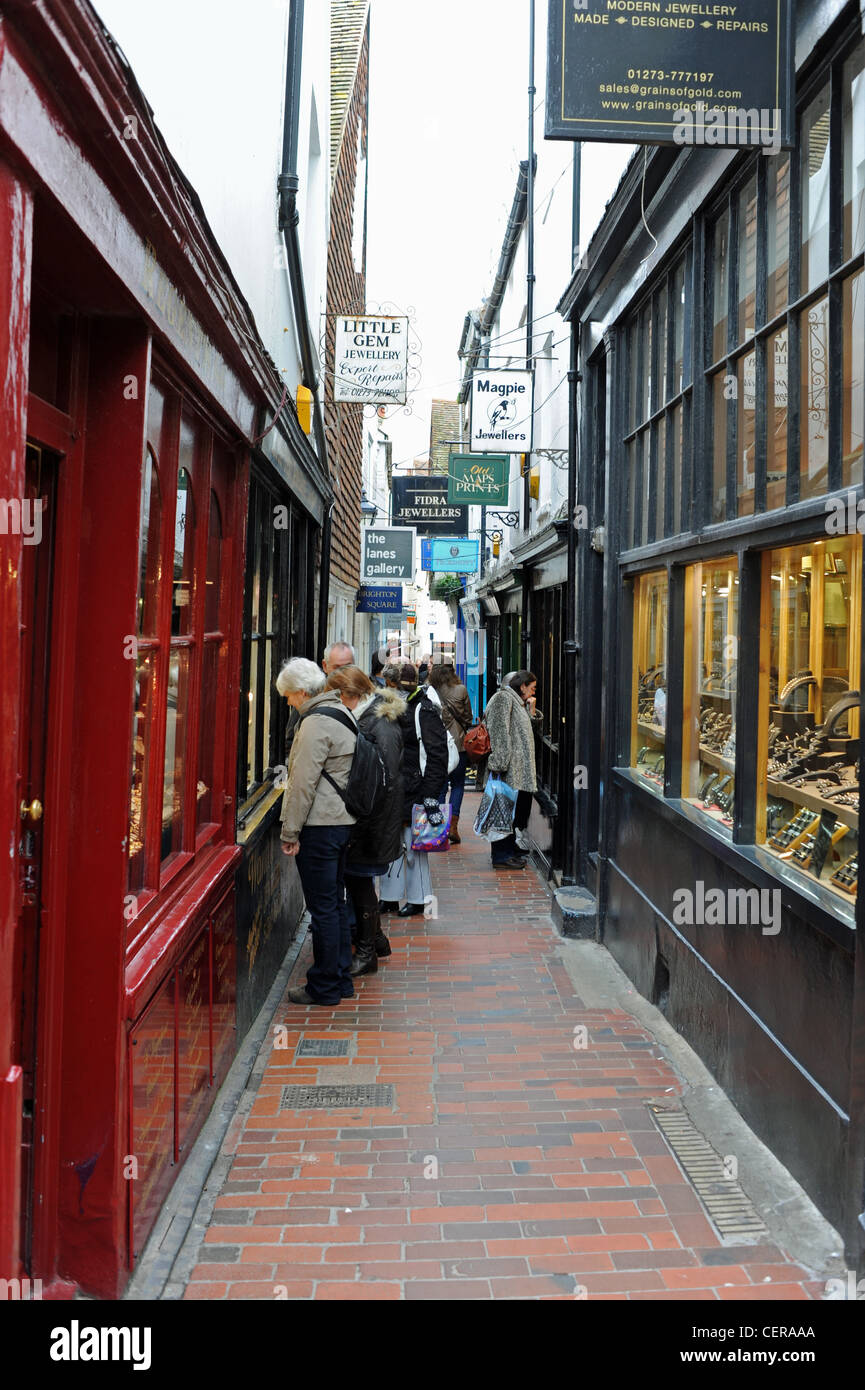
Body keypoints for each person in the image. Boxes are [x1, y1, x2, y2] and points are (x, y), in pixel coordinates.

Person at [276, 656, 358, 1005]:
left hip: (321, 826)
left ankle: (323, 986)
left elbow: (302, 784)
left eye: (288, 697)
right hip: (342, 823)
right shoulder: (342, 713)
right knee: (334, 904)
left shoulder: (314, 724)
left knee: (322, 908)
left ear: (300, 692)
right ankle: (340, 978)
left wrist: (289, 832)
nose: (288, 703)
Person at [326, 664, 406, 975]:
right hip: (371, 819)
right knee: (359, 882)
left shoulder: (379, 725)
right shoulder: (370, 718)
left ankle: (367, 952)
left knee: (360, 883)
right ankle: (377, 939)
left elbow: (381, 780)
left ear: (351, 695)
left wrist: (360, 818)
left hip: (372, 821)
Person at [379, 661, 448, 917]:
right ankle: (389, 896)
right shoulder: (390, 707)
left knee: (413, 846)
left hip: (413, 787)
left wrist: (429, 793)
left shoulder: (423, 710)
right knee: (390, 842)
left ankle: (419, 899)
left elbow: (437, 754)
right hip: (393, 786)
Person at [484, 669, 541, 870]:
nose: (533, 692)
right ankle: (501, 855)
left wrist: (530, 711)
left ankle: (509, 852)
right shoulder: (503, 699)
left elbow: (521, 730)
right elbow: (499, 732)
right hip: (507, 768)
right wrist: (499, 765)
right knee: (503, 810)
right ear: (522, 685)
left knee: (511, 811)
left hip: (515, 768)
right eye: (532, 688)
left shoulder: (515, 701)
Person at [428, 662, 473, 844]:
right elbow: (468, 717)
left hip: (438, 746)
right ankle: (453, 827)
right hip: (459, 746)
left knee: (440, 786)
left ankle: (439, 827)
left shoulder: (430, 691)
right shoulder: (461, 689)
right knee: (457, 785)